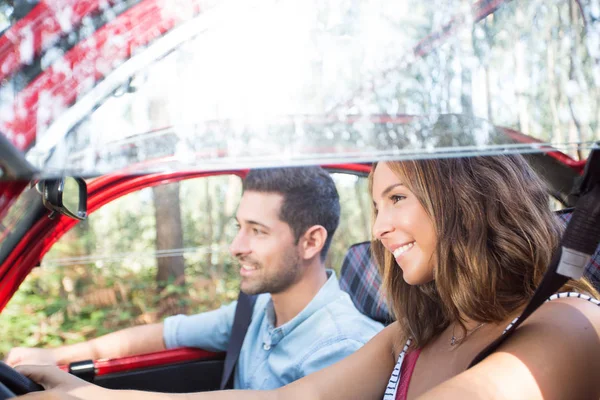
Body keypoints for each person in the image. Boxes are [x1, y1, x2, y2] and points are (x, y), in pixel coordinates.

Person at [14, 155, 600, 399]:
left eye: (398, 198)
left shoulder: (570, 327)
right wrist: (95, 394)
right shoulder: (415, 333)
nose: (383, 227)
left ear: (468, 198)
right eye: (376, 206)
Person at [7, 166, 384, 390]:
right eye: (239, 226)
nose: (236, 246)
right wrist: (55, 356)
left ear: (311, 241)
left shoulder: (343, 346)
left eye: (257, 231)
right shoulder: (258, 310)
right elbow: (169, 332)